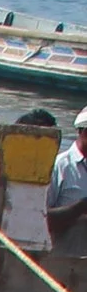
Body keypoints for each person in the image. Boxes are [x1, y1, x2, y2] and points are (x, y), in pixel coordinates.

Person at [51, 103, 87, 247]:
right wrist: (80, 208)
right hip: (63, 259)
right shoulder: (60, 165)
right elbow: (40, 218)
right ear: (82, 132)